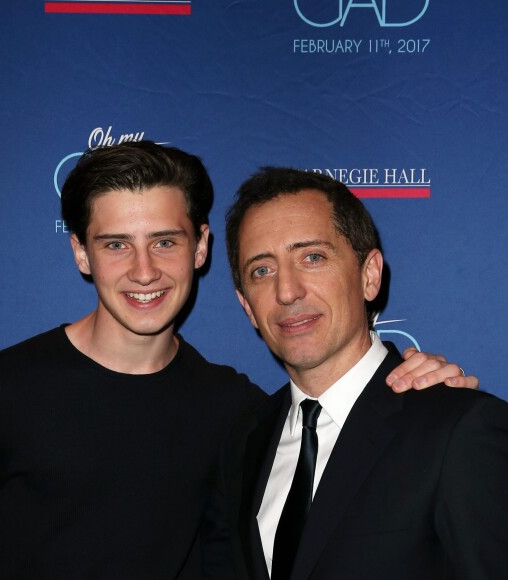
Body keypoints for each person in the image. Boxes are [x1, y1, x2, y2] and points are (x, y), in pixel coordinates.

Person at [0, 143, 475, 580]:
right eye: (116, 244)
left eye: (165, 242)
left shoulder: (238, 412)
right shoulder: (1, 388)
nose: (144, 271)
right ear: (80, 252)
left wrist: (421, 390)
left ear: (201, 247)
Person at [203, 167, 508, 580]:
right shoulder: (243, 445)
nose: (287, 291)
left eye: (312, 257)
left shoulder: (457, 430)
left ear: (369, 275)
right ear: (246, 306)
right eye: (262, 270)